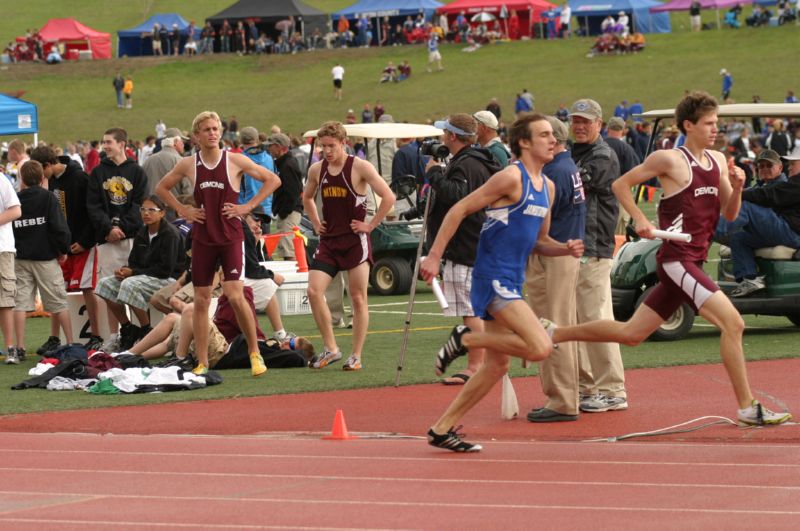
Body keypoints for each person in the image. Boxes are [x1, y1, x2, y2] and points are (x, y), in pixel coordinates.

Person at [550, 91, 792, 427]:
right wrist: (639, 217)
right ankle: (748, 407)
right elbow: (622, 184)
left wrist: (736, 188)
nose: (715, 129)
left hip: (693, 260)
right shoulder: (669, 160)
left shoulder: (719, 161)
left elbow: (731, 216)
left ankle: (556, 334)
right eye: (708, 124)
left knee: (632, 334)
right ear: (688, 125)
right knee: (733, 323)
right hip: (677, 261)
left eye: (716, 123)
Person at [420, 113, 584, 452]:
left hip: (512, 279)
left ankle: (441, 428)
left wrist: (564, 249)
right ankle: (467, 338)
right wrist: (434, 256)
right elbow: (458, 209)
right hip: (492, 277)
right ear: (524, 142)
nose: (552, 140)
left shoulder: (548, 188)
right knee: (540, 347)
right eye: (543, 135)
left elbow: (540, 242)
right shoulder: (510, 178)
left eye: (553, 135)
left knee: (496, 366)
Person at [156, 111, 280, 377]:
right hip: (203, 239)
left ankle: (255, 353)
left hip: (230, 237)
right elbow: (161, 188)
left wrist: (247, 206)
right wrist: (183, 210)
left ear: (221, 132)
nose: (212, 133)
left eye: (216, 128)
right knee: (200, 301)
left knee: (235, 295)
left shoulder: (234, 160)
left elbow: (273, 180)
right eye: (207, 129)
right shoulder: (189, 164)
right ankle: (202, 362)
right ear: (196, 136)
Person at [302, 121, 396, 371]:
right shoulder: (316, 169)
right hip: (329, 240)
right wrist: (314, 221)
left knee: (357, 298)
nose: (327, 151)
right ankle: (331, 348)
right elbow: (307, 197)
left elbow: (389, 197)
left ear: (344, 143)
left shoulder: (360, 167)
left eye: (332, 146)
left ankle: (356, 355)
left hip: (355, 242)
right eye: (323, 147)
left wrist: (371, 224)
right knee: (313, 292)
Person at [425, 114, 502, 384]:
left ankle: (475, 365)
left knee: (471, 309)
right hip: (480, 241)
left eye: (446, 133)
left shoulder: (466, 164)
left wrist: (434, 174)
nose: (443, 138)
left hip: (467, 243)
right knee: (477, 308)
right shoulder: (481, 159)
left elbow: (458, 196)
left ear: (453, 136)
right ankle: (480, 363)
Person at [566, 99, 627, 419]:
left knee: (596, 320)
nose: (579, 125)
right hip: (574, 249)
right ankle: (589, 387)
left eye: (586, 121)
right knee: (578, 322)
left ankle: (611, 389)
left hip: (594, 249)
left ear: (600, 125)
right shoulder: (572, 153)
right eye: (575, 120)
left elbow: (573, 184)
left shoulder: (603, 155)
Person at [526, 116, 586, 423]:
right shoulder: (568, 167)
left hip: (554, 254)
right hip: (564, 251)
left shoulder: (554, 172)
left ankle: (563, 399)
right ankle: (570, 392)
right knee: (562, 323)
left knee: (552, 325)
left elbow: (538, 223)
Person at [29, 146, 102, 353]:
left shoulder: (80, 178)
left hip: (83, 245)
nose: (40, 177)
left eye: (40, 171)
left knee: (87, 288)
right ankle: (54, 337)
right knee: (56, 290)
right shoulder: (51, 180)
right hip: (62, 247)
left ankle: (96, 335)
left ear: (47, 165)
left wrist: (86, 241)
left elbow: (92, 212)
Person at [95, 195, 184, 350]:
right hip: (146, 277)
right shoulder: (142, 232)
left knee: (130, 284)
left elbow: (164, 270)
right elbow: (134, 262)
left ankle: (146, 330)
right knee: (104, 284)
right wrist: (124, 271)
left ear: (162, 213)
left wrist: (133, 272)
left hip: (170, 280)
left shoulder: (170, 234)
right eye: (143, 209)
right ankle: (128, 328)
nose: (146, 213)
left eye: (151, 210)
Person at [86, 127, 147, 349]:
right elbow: (92, 206)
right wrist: (108, 228)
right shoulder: (97, 172)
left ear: (122, 144)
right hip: (107, 240)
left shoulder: (137, 171)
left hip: (132, 239)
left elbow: (140, 205)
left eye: (109, 142)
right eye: (104, 142)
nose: (105, 146)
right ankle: (117, 334)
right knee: (109, 288)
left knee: (134, 285)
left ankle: (144, 331)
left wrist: (122, 226)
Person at [7, 161, 71, 363]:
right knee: (58, 301)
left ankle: (18, 347)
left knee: (20, 304)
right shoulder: (48, 197)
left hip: (21, 257)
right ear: (43, 178)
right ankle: (70, 344)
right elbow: (59, 227)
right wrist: (63, 249)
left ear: (22, 179)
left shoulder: (16, 199)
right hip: (45, 258)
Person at [717, 148, 800, 297]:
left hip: (792, 231)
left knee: (746, 205)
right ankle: (749, 280)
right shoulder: (770, 185)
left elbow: (768, 195)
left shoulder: (791, 184)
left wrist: (737, 193)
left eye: (793, 163)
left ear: (779, 168)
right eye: (761, 166)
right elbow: (761, 194)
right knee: (739, 238)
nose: (790, 166)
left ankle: (710, 230)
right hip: (785, 229)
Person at [267, 132, 303, 260]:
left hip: (289, 212)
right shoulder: (285, 162)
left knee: (289, 250)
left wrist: (283, 212)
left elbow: (293, 192)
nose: (269, 148)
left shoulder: (287, 165)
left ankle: (295, 278)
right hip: (288, 211)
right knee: (286, 247)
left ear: (278, 146)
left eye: (271, 146)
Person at [239, 126, 275, 233]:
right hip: (265, 212)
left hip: (247, 212)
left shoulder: (239, 160)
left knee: (248, 248)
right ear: (257, 139)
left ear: (241, 140)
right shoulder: (269, 158)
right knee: (264, 248)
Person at [142, 128, 188, 199]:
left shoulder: (148, 160)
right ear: (175, 142)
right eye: (182, 141)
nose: (183, 144)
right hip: (174, 208)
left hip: (151, 208)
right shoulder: (181, 161)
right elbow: (188, 191)